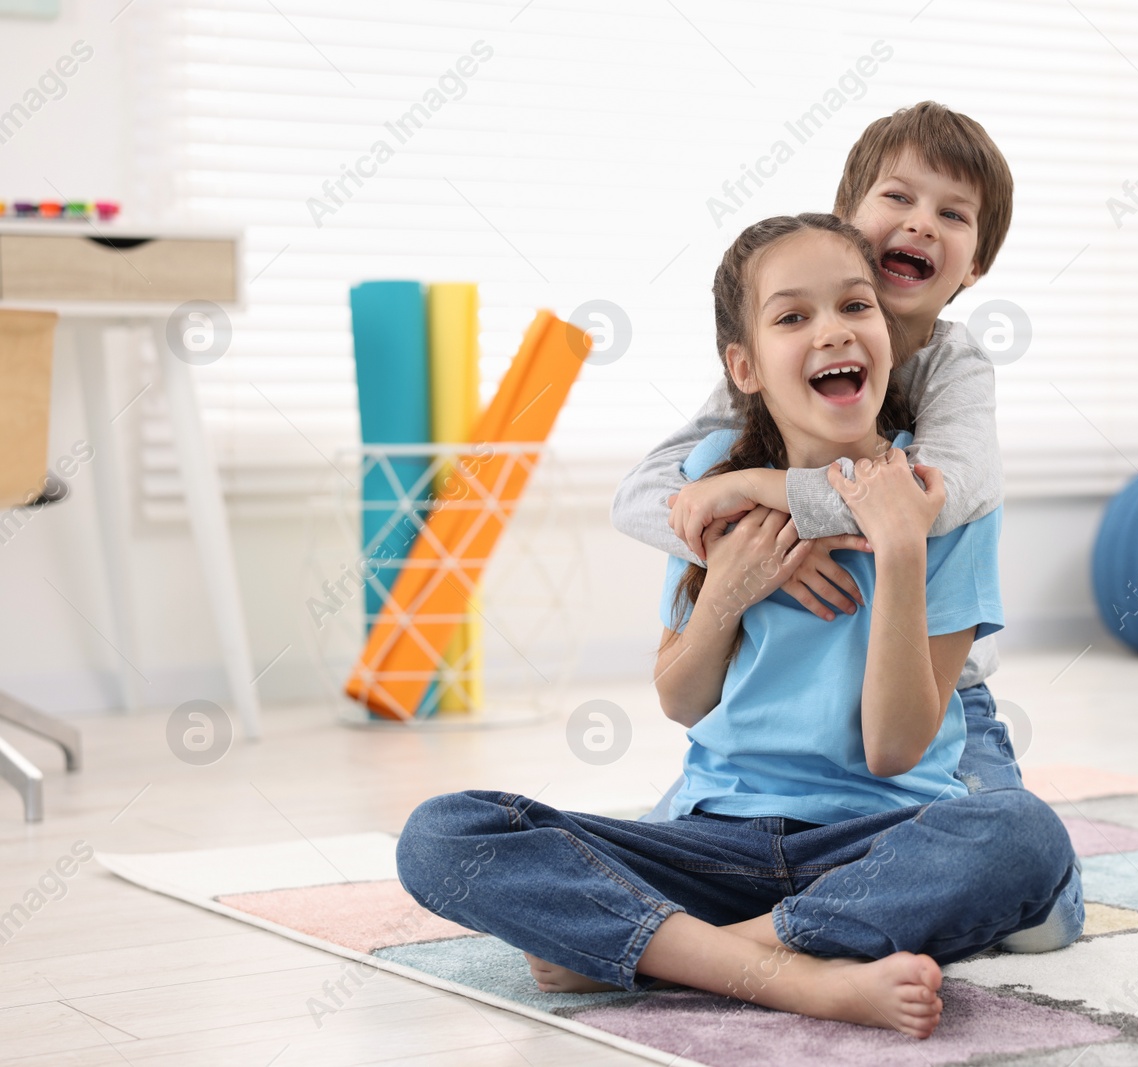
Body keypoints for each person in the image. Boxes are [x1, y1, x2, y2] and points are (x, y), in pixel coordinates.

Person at [396, 214, 1075, 1039]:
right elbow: (682, 700)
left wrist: (898, 548)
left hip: (875, 843)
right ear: (744, 367)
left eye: (855, 306)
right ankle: (807, 978)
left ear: (887, 335)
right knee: (443, 832)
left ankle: (695, 955)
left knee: (1021, 834)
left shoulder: (940, 504)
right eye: (793, 316)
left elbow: (896, 748)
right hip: (716, 842)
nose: (831, 330)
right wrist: (728, 589)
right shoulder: (712, 485)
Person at [612, 101, 1083, 952]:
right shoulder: (755, 381)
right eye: (899, 198)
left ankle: (725, 939)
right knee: (491, 837)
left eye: (952, 214)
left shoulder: (954, 371)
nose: (921, 223)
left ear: (976, 264)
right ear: (849, 222)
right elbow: (658, 496)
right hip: (753, 779)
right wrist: (745, 551)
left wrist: (777, 493)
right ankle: (771, 925)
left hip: (944, 697)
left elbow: (939, 492)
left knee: (1032, 882)